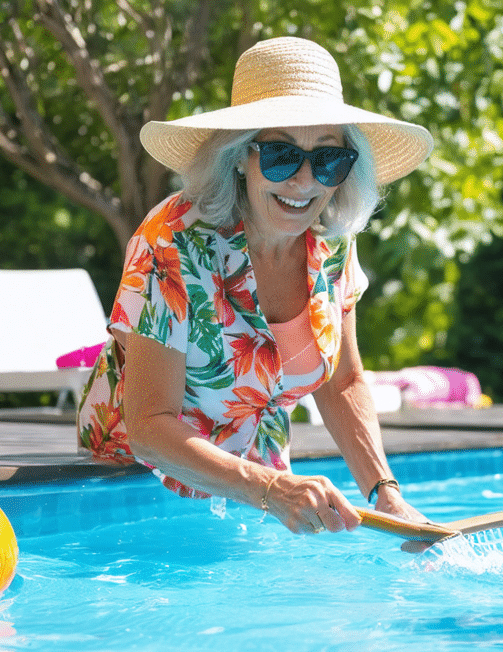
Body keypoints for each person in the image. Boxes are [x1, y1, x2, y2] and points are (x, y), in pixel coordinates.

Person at [76, 37, 434, 536]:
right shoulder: (171, 245)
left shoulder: (331, 243)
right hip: (132, 492)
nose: (304, 181)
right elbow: (150, 427)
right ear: (240, 156)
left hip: (256, 489)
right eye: (282, 155)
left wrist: (386, 494)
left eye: (328, 159)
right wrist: (266, 488)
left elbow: (343, 383)